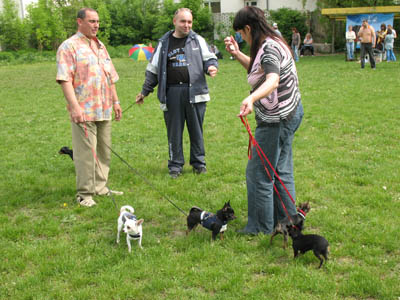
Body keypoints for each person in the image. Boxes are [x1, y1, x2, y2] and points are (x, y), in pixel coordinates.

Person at [224, 6, 304, 235]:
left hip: (277, 119)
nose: (241, 37)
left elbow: (272, 80)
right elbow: (259, 70)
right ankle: (287, 221)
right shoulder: (273, 41)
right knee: (280, 170)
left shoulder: (269, 48)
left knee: (259, 172)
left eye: (241, 33)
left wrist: (251, 98)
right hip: (291, 113)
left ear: (248, 28)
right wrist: (237, 54)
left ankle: (260, 227)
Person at [136, 8, 218, 179]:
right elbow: (153, 69)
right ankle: (175, 165)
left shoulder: (197, 40)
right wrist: (145, 91)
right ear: (174, 22)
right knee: (174, 131)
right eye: (183, 21)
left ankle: (199, 164)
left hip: (195, 92)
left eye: (189, 22)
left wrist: (211, 67)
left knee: (196, 131)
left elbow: (209, 57)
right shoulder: (164, 42)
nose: (187, 25)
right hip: (172, 92)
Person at [56, 8, 122, 207]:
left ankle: (100, 187)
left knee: (103, 151)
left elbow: (110, 76)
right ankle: (84, 194)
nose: (96, 25)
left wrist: (116, 101)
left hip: (104, 108)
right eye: (92, 21)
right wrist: (74, 107)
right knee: (86, 153)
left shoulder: (100, 46)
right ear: (80, 22)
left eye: (98, 21)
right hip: (83, 110)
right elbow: (64, 79)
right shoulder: (69, 47)